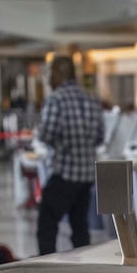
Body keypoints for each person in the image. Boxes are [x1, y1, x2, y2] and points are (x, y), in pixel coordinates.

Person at [35, 55, 104, 257]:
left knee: (47, 223)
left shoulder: (56, 99)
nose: (48, 80)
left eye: (49, 74)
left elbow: (46, 134)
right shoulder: (91, 98)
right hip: (86, 177)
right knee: (80, 226)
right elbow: (100, 136)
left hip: (65, 173)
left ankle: (46, 265)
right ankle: (80, 265)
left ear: (58, 73)